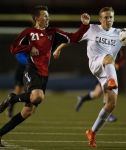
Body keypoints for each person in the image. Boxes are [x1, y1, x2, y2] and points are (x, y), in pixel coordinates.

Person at [52, 7, 126, 147]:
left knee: (111, 104)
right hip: (96, 64)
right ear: (100, 19)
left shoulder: (119, 34)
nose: (108, 19)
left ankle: (92, 132)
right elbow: (73, 39)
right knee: (109, 57)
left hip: (107, 70)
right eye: (105, 17)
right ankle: (110, 80)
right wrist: (58, 48)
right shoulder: (92, 29)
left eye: (110, 17)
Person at [0, 5, 90, 147]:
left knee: (28, 111)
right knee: (38, 96)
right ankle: (12, 98)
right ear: (37, 18)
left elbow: (73, 38)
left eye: (48, 16)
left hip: (44, 75)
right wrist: (29, 47)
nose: (48, 18)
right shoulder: (29, 32)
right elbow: (13, 48)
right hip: (32, 69)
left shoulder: (53, 32)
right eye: (45, 16)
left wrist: (84, 26)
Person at [75, 48, 125, 122]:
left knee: (96, 94)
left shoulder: (120, 47)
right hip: (103, 72)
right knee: (106, 91)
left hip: (110, 73)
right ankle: (108, 115)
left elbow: (122, 60)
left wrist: (118, 65)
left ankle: (82, 98)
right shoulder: (108, 43)